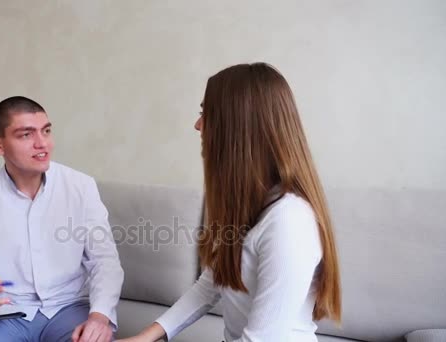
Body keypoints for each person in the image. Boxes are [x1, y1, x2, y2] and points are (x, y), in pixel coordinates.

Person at [117, 63, 341, 342]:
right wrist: (145, 337)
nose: (197, 125)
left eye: (205, 113)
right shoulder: (250, 205)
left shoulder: (289, 220)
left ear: (239, 127)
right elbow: (212, 283)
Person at [0, 96, 124, 342]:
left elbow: (105, 261)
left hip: (68, 309)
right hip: (3, 314)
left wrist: (100, 317)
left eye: (46, 131)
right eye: (26, 135)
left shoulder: (81, 187)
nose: (42, 143)